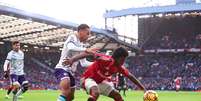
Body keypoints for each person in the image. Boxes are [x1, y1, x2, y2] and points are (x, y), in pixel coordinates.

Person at [65, 47, 146, 101]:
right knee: (95, 93)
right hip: (88, 79)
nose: (123, 62)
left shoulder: (119, 68)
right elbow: (88, 53)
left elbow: (130, 76)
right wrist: (72, 59)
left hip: (100, 82)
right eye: (122, 59)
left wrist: (143, 88)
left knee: (117, 96)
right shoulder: (105, 59)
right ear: (117, 57)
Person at [54, 24, 97, 101]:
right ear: (81, 31)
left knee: (70, 97)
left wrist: (97, 64)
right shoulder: (72, 37)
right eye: (87, 33)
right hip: (62, 68)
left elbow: (83, 63)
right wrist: (86, 50)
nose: (89, 36)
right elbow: (71, 48)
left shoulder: (81, 45)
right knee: (66, 91)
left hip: (71, 72)